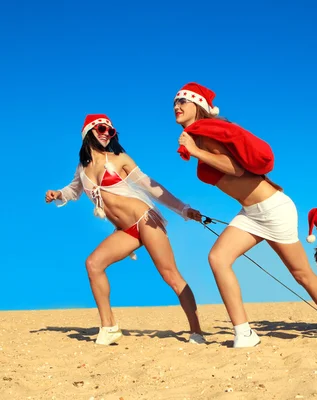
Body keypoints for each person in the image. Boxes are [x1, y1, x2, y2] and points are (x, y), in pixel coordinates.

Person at [173, 83, 317, 347]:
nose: (177, 106)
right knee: (218, 258)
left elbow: (237, 170)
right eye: (174, 102)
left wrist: (196, 151)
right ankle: (243, 332)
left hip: (274, 208)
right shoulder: (200, 136)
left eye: (183, 101)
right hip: (251, 213)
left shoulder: (206, 136)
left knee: (300, 273)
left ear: (197, 106)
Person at [45, 114, 206, 346]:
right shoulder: (83, 167)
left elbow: (151, 187)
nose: (106, 134)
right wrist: (57, 194)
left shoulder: (118, 158)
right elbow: (73, 190)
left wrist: (184, 209)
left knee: (170, 275)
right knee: (93, 264)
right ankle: (108, 327)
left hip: (144, 218)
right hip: (125, 229)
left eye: (110, 131)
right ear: (89, 131)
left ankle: (196, 331)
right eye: (101, 128)